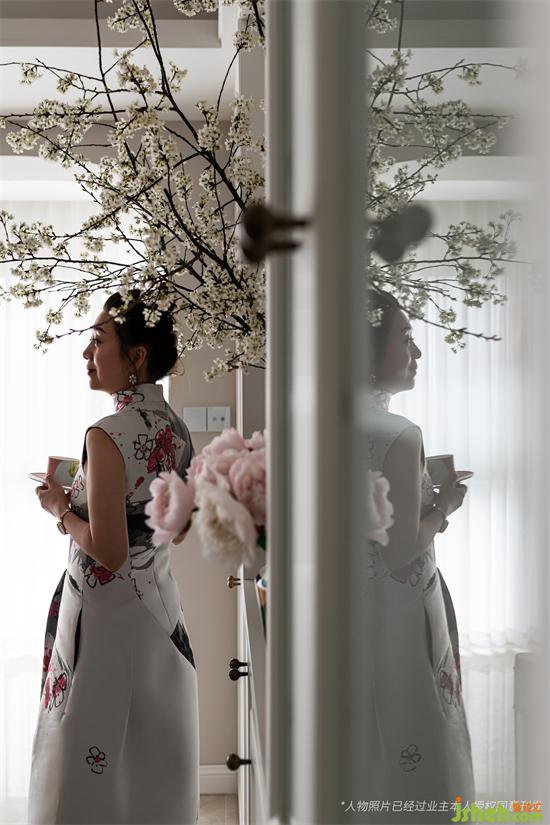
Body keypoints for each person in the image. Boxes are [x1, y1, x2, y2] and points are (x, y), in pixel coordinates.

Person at [29, 291, 199, 825]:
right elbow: (180, 529)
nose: (87, 353)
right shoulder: (176, 428)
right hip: (159, 613)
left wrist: (61, 508)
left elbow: (109, 552)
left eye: (98, 341)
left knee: (91, 755)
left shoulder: (106, 435)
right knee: (148, 758)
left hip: (104, 621)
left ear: (136, 356)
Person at [363, 288, 475, 823]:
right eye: (405, 338)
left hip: (350, 613)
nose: (417, 352)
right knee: (419, 742)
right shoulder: (400, 434)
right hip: (399, 614)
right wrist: (445, 505)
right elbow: (400, 551)